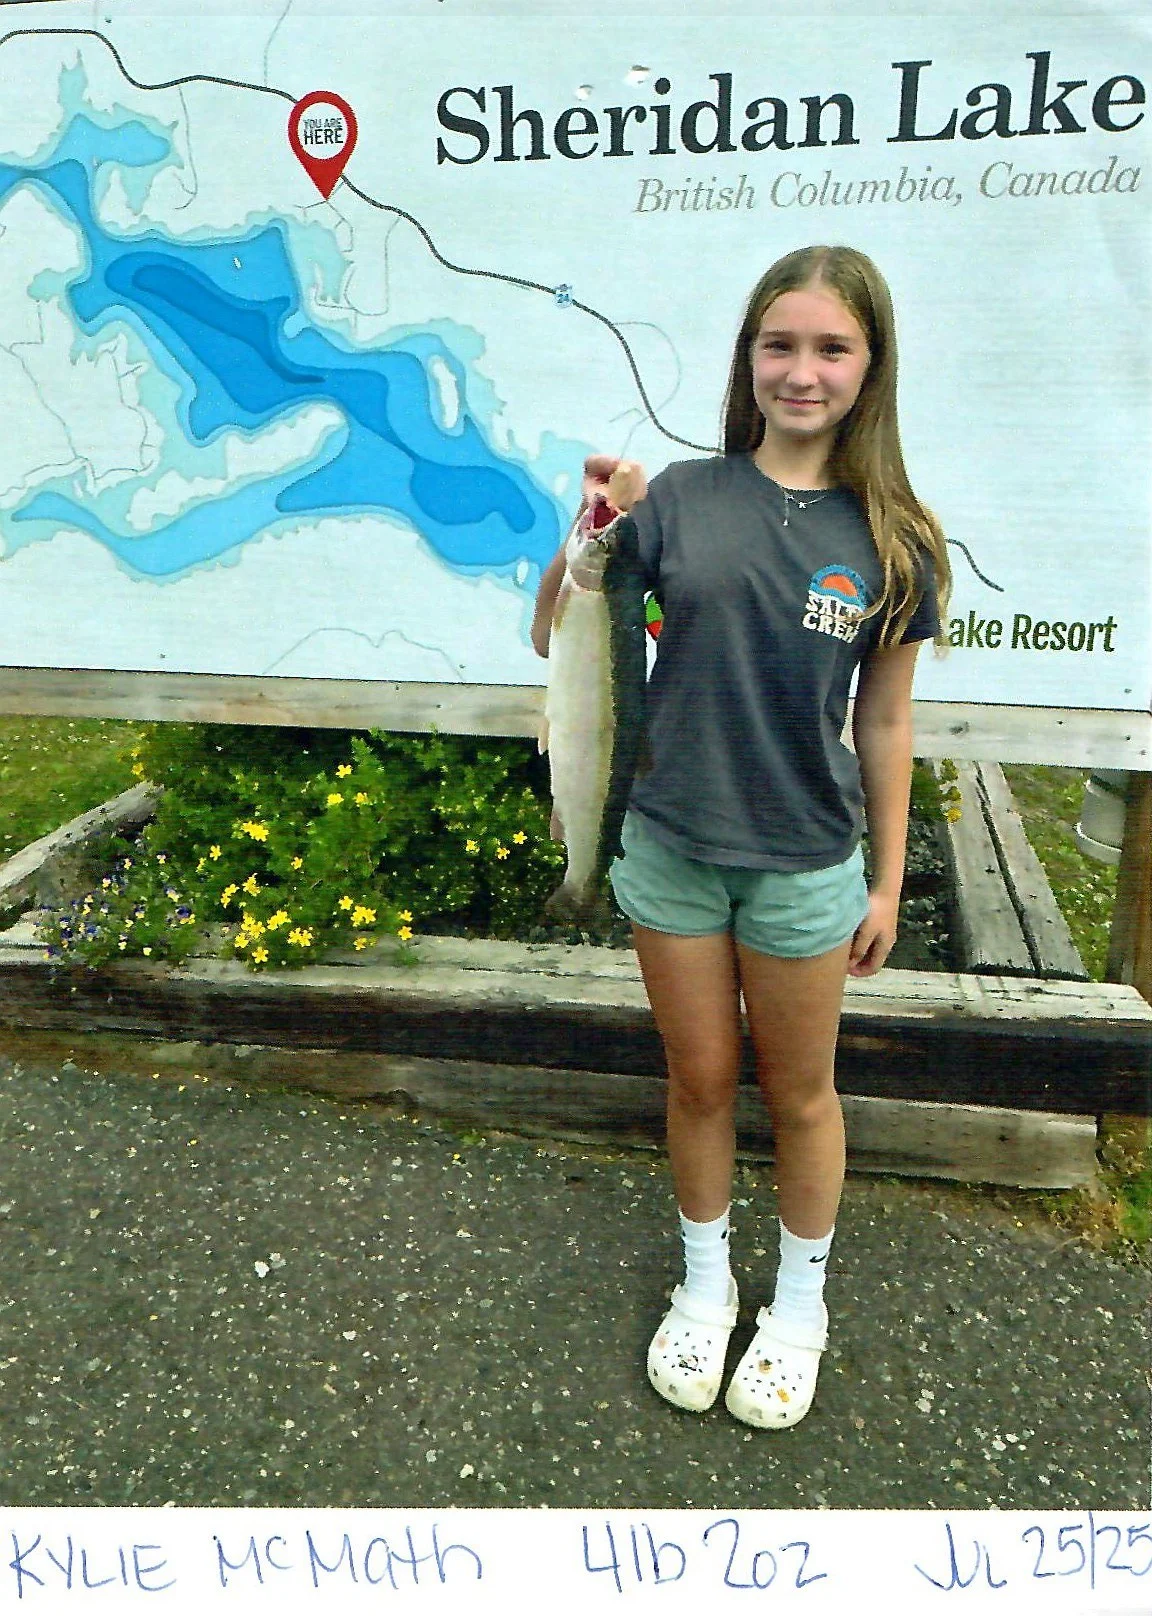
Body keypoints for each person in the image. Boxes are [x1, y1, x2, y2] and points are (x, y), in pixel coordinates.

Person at [531, 244, 950, 1429]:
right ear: (748, 358)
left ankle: (799, 1307)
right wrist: (589, 528)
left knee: (801, 1091)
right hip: (669, 846)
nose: (802, 371)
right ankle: (706, 1285)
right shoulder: (680, 500)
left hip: (807, 862)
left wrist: (884, 880)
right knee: (701, 1078)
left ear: (871, 366)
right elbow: (557, 629)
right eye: (780, 344)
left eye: (831, 348)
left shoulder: (898, 538)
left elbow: (886, 718)